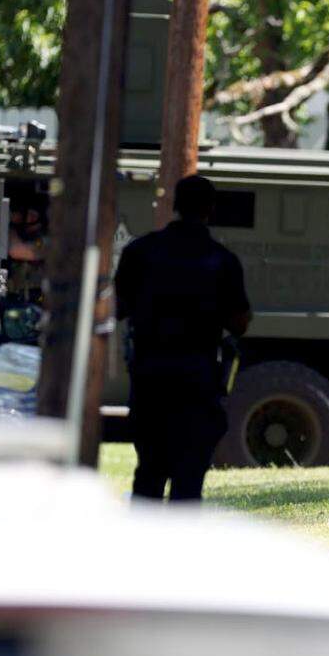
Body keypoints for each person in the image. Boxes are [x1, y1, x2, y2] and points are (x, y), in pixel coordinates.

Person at [115, 175, 252, 502]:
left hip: (150, 379)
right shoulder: (222, 260)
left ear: (175, 205)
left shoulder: (140, 251)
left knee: (148, 472)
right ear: (210, 209)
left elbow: (117, 308)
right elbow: (240, 322)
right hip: (197, 381)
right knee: (189, 480)